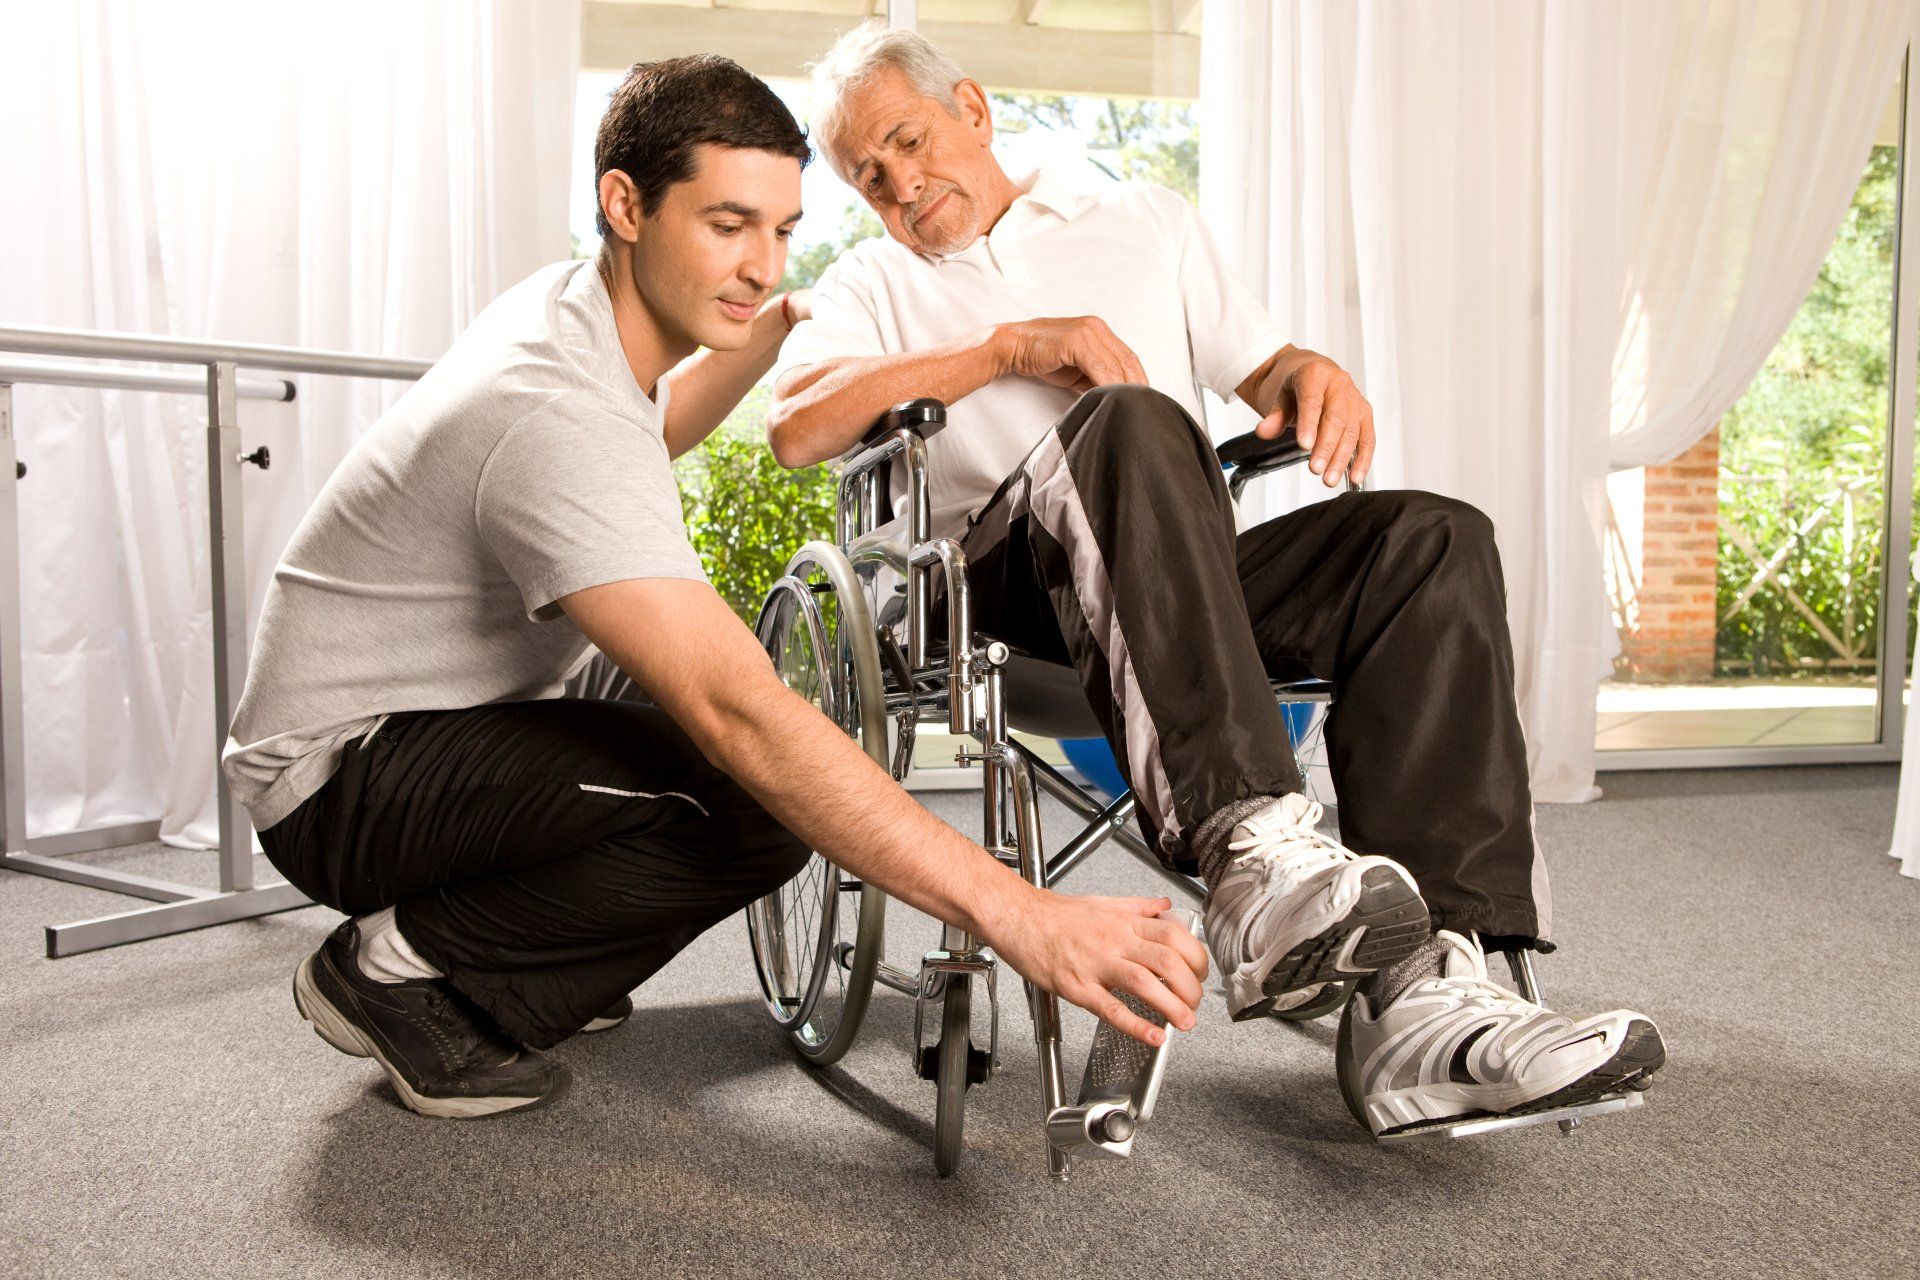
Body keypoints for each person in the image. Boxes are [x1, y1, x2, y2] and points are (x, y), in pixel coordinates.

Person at [223, 54, 1209, 1121]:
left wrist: (774, 325)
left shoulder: (575, 312)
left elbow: (660, 422)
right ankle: (398, 966)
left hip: (448, 715)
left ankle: (522, 940)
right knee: (749, 800)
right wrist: (1026, 915)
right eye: (728, 224)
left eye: (782, 230)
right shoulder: (550, 411)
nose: (759, 260)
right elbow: (741, 711)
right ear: (626, 204)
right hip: (340, 776)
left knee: (729, 735)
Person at [768, 22, 1666, 1136]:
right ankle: (1255, 855)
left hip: (1181, 576)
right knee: (1130, 418)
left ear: (976, 110)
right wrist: (1006, 348)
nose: (899, 182)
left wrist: (1307, 369)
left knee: (1430, 538)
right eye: (869, 175)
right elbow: (798, 426)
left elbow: (1264, 367)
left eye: (907, 141)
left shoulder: (1145, 222)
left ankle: (1431, 995)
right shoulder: (872, 281)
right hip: (1003, 599)